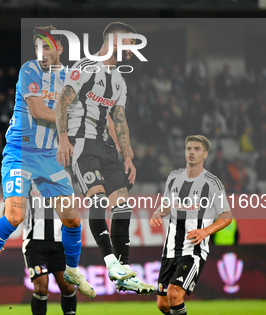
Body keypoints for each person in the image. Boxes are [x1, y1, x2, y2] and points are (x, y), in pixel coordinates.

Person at [0, 26, 95, 299]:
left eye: (48, 47)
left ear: (60, 49)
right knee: (15, 216)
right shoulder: (30, 69)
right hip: (20, 152)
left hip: (49, 157)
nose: (42, 53)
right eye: (38, 47)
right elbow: (39, 111)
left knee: (73, 220)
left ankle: (72, 269)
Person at [55, 22, 154, 294]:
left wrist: (128, 155)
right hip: (81, 145)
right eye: (132, 45)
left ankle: (125, 271)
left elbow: (119, 120)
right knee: (98, 200)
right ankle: (111, 262)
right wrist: (63, 138)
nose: (133, 52)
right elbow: (62, 102)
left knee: (122, 204)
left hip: (107, 148)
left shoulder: (119, 80)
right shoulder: (86, 67)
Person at [150, 135, 233, 315]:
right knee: (163, 304)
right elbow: (166, 205)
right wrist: (158, 212)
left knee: (174, 294)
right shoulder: (173, 178)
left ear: (205, 154)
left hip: (193, 249)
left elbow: (227, 216)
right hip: (170, 248)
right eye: (189, 148)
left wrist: (206, 231)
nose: (192, 152)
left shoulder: (212, 183)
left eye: (197, 149)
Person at [23, 183, 77, 315]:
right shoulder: (28, 179)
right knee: (41, 288)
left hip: (60, 243)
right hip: (35, 244)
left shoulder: (63, 177)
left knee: (68, 287)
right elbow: (12, 205)